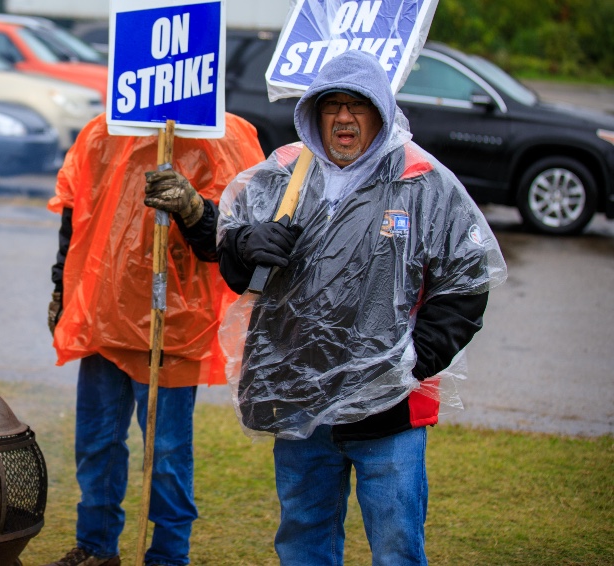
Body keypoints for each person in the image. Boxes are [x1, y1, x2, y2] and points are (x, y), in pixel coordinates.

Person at [215, 50, 507, 564]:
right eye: (332, 106)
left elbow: (467, 280)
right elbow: (234, 260)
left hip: (389, 412)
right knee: (304, 540)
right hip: (299, 398)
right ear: (313, 113)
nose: (344, 118)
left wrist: (411, 360)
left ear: (382, 112)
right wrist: (246, 245)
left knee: (396, 546)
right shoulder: (284, 173)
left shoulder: (421, 179)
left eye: (359, 105)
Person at [45, 112, 265, 566]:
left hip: (175, 323)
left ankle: (168, 555)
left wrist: (193, 209)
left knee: (166, 453)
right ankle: (96, 547)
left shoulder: (221, 136)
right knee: (97, 443)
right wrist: (62, 290)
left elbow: (234, 240)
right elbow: (76, 212)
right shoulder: (103, 132)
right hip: (106, 314)